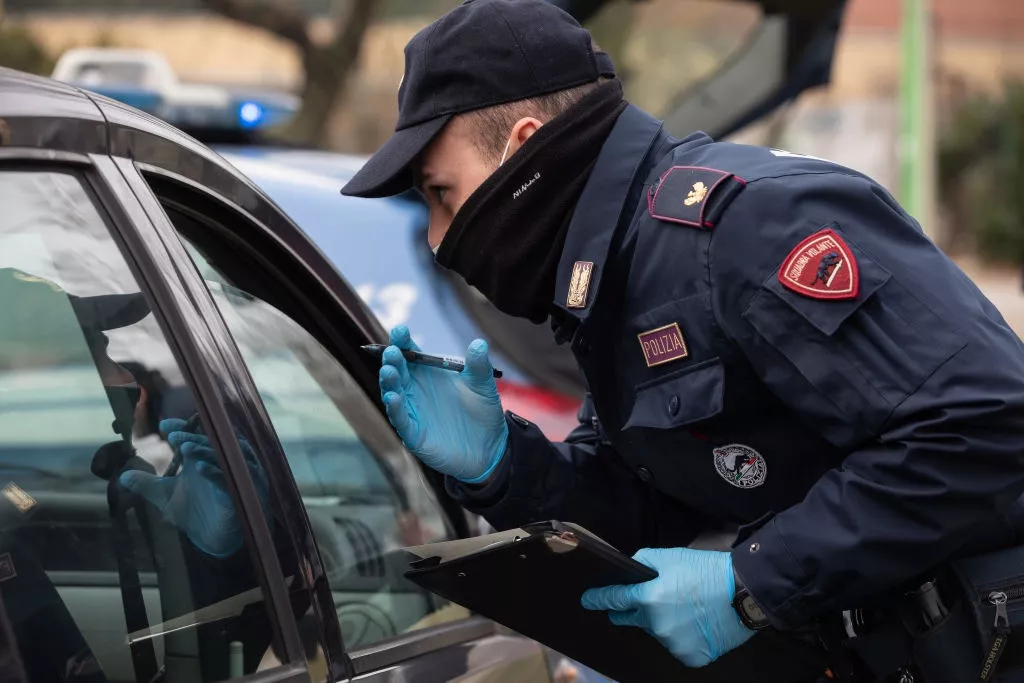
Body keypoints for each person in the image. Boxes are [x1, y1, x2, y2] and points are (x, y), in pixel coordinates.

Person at [340, 1, 1024, 679]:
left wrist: (751, 581)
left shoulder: (747, 226)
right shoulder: (617, 272)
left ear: (522, 147)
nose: (438, 238)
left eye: (442, 193)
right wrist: (506, 468)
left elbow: (986, 423)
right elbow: (645, 507)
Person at [0, 267, 275, 682]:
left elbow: (204, 652)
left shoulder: (80, 502)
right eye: (92, 354)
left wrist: (218, 557)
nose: (127, 378)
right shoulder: (21, 521)